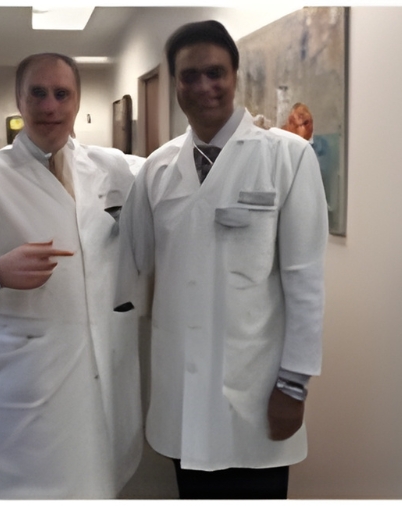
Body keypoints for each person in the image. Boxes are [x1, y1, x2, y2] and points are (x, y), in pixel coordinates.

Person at [0, 53, 143, 499]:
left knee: (99, 481)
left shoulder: (111, 167)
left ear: (77, 101)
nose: (50, 106)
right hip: (28, 372)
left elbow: (171, 178)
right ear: (19, 100)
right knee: (28, 487)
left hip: (103, 365)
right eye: (37, 93)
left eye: (62, 94)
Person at [116, 20, 328, 499]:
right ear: (175, 83)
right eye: (189, 76)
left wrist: (294, 387)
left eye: (215, 73)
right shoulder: (157, 168)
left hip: (256, 389)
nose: (203, 87)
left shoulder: (288, 157)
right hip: (182, 389)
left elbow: (306, 283)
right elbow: (131, 257)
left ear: (235, 76)